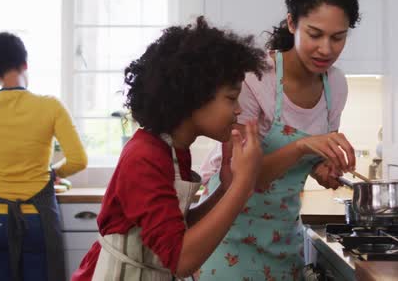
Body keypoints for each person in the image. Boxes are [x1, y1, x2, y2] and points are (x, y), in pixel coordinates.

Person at [71, 16, 268, 281]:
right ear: (194, 96)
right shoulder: (144, 156)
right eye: (231, 98)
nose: (238, 109)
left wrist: (226, 187)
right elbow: (181, 260)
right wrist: (244, 183)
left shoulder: (173, 149)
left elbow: (176, 230)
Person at [197, 0, 360, 280]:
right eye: (315, 34)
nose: (326, 49)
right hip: (227, 236)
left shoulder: (335, 85)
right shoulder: (256, 77)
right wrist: (302, 147)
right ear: (291, 23)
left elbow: (308, 160)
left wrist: (323, 167)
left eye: (338, 37)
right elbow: (239, 177)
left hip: (282, 238)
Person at [0, 32, 88, 281]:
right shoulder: (50, 106)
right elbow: (78, 159)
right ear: (25, 64)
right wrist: (53, 174)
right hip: (38, 220)